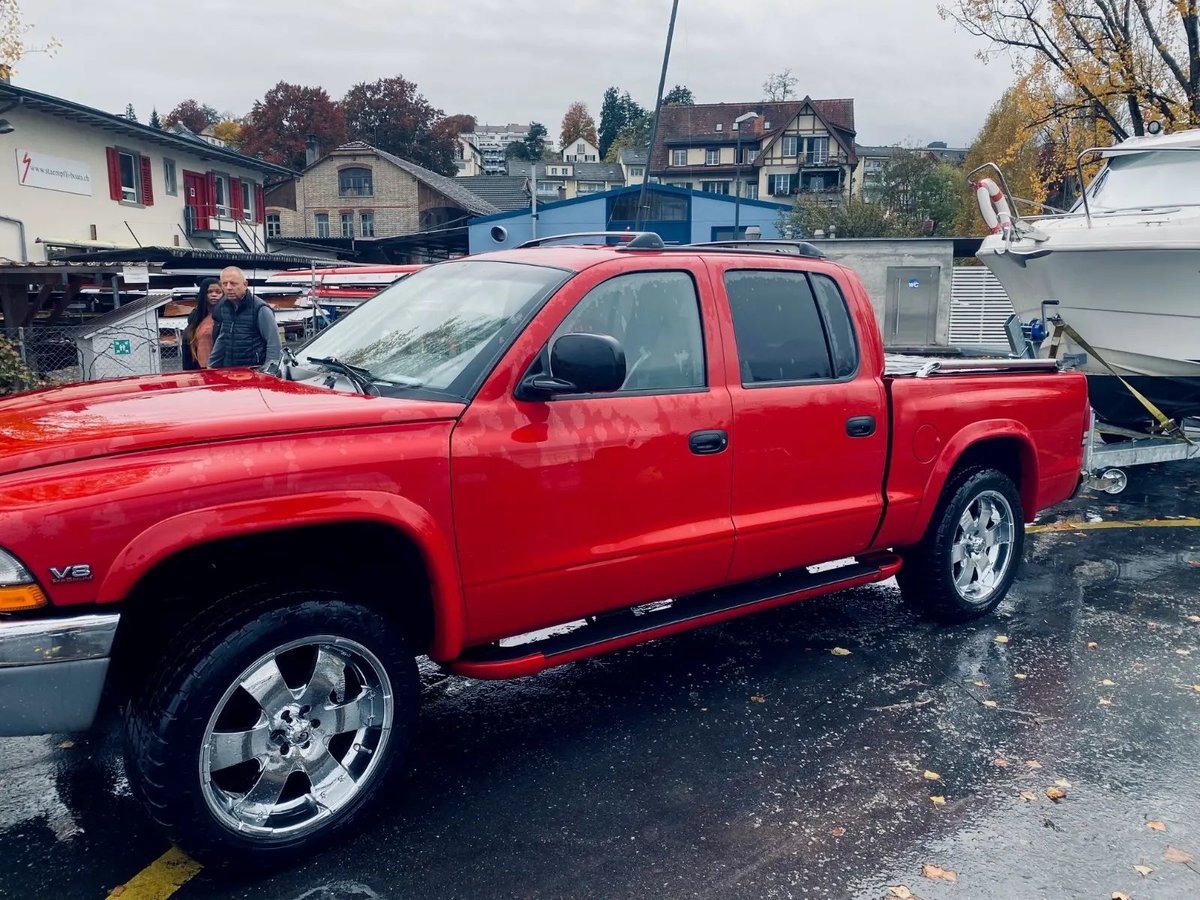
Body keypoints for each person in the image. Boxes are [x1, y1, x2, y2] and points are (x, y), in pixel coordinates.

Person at [208, 266, 282, 369]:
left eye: (233, 283)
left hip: (253, 372)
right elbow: (223, 338)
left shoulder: (260, 309)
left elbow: (274, 344)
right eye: (225, 284)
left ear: (245, 284)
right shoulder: (224, 306)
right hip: (230, 371)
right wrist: (212, 366)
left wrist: (269, 372)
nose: (228, 287)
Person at [181, 278, 222, 370]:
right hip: (197, 367)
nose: (214, 295)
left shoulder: (225, 317)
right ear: (204, 293)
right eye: (210, 291)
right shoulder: (195, 317)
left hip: (217, 368)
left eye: (218, 292)